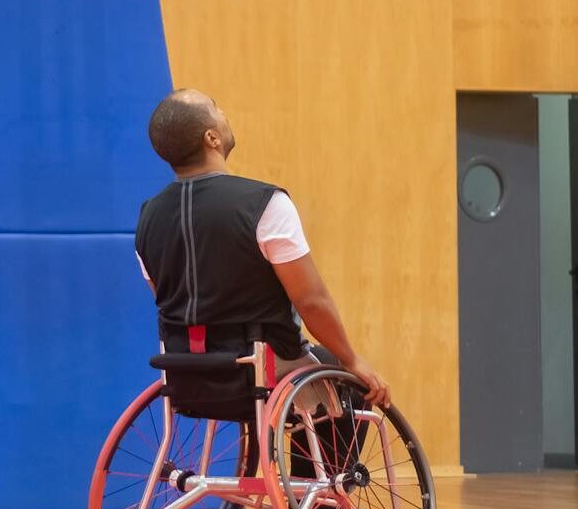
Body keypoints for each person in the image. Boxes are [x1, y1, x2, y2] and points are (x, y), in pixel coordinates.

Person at [135, 89, 390, 405]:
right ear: (211, 138)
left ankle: (260, 451)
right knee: (347, 382)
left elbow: (167, 296)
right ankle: (312, 456)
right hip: (260, 364)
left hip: (186, 371)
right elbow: (311, 300)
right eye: (216, 107)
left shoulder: (147, 217)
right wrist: (352, 359)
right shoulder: (265, 205)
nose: (223, 112)